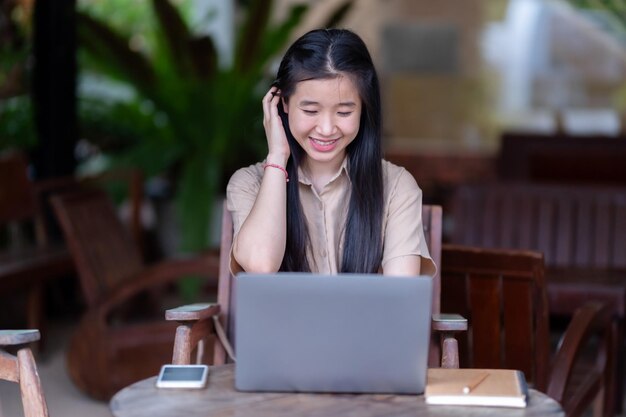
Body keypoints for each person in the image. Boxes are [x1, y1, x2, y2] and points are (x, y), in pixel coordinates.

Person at [226, 28, 435, 277]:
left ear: (363, 109)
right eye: (311, 111)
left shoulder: (396, 186)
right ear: (282, 103)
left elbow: (401, 297)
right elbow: (260, 266)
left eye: (344, 112)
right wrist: (277, 158)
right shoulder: (249, 184)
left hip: (368, 318)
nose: (326, 129)